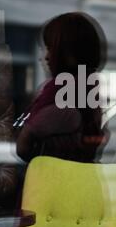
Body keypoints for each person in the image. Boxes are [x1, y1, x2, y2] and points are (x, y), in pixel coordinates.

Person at [16, 12, 109, 163]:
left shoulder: (60, 99)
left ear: (68, 53)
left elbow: (22, 147)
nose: (45, 57)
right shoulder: (87, 94)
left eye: (50, 48)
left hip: (55, 183)